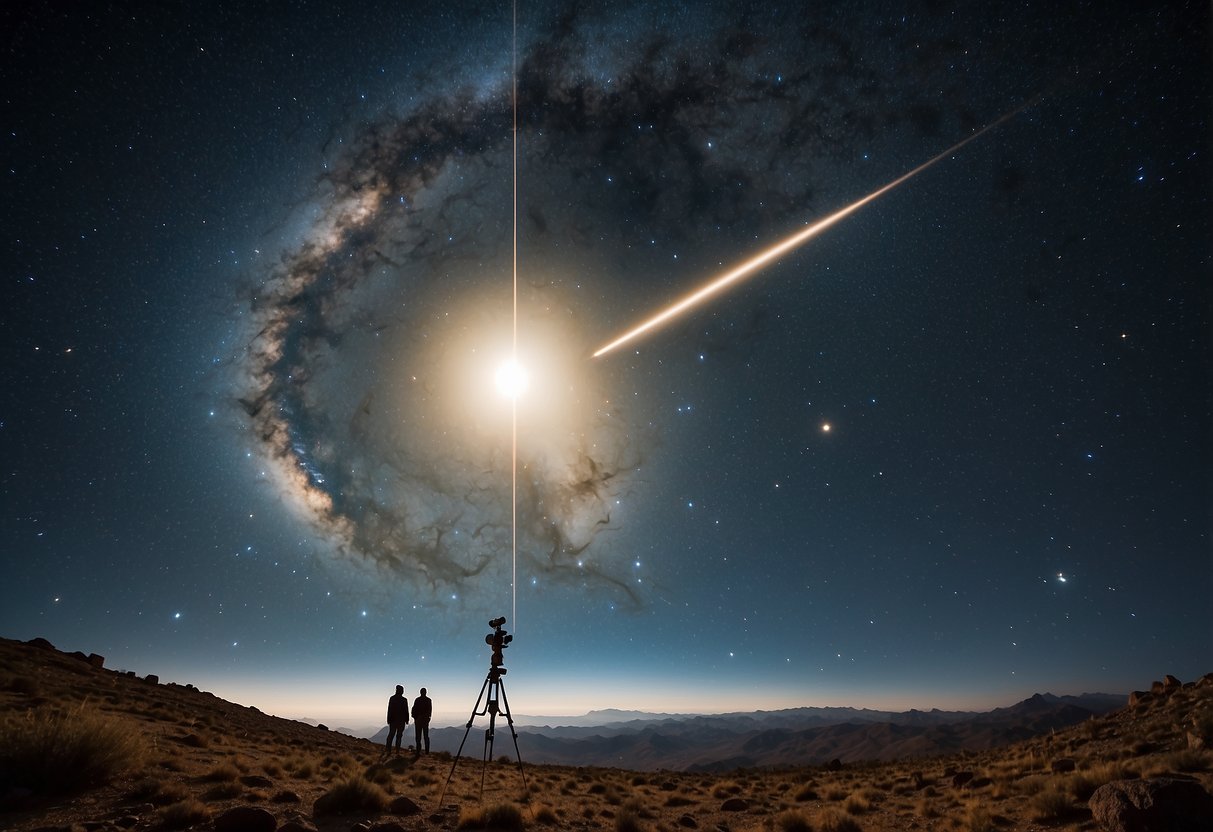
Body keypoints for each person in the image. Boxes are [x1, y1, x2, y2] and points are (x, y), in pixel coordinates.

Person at [385, 684, 409, 755]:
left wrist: (388, 719)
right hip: (400, 721)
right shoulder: (404, 700)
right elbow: (406, 710)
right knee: (398, 736)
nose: (402, 691)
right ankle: (396, 751)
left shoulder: (392, 698)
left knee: (392, 735)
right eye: (402, 690)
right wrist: (407, 719)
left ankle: (389, 750)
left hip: (393, 720)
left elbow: (389, 709)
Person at [411, 686, 432, 754]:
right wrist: (428, 718)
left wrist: (415, 717)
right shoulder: (428, 700)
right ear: (426, 692)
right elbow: (430, 710)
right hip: (425, 720)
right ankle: (427, 751)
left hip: (419, 720)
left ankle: (418, 750)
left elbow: (413, 709)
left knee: (418, 735)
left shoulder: (417, 700)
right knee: (425, 736)